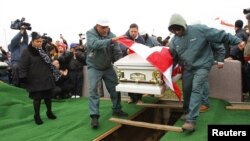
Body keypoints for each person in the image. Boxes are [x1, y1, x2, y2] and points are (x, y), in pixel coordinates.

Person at [168, 13, 245, 131]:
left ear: (184, 25)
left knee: (196, 88)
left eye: (178, 28)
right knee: (187, 89)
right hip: (188, 67)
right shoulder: (174, 41)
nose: (176, 32)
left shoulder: (200, 30)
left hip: (203, 65)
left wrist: (237, 40)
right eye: (173, 30)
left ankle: (191, 120)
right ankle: (187, 111)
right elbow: (173, 57)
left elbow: (220, 35)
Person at [86, 18, 128, 129]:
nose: (105, 30)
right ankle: (94, 116)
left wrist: (121, 63)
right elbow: (95, 44)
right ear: (97, 26)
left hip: (107, 66)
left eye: (107, 27)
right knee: (93, 89)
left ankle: (117, 109)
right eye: (103, 27)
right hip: (94, 67)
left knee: (115, 87)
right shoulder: (90, 33)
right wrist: (112, 40)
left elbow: (117, 52)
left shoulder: (112, 35)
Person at [19, 32, 60, 125]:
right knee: (37, 99)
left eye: (41, 41)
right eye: (37, 41)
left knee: (48, 97)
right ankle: (37, 115)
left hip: (46, 77)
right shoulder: (27, 52)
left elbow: (49, 62)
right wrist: (23, 77)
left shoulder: (44, 50)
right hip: (34, 79)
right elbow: (23, 66)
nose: (39, 43)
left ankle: (49, 112)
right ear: (32, 41)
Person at [119, 23, 145, 104]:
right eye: (132, 31)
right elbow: (121, 45)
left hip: (138, 62)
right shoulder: (124, 37)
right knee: (128, 79)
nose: (133, 33)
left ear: (138, 31)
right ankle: (130, 97)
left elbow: (143, 49)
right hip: (127, 62)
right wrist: (127, 50)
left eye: (135, 31)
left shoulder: (141, 39)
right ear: (129, 30)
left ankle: (139, 98)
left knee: (139, 79)